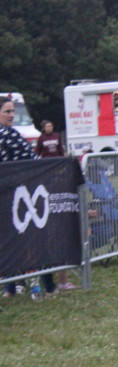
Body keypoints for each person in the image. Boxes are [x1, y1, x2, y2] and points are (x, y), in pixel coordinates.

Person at [1, 97, 58, 297]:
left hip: (15, 195)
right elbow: (33, 159)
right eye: (7, 111)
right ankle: (47, 286)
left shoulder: (10, 133)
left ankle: (11, 288)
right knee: (33, 239)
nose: (11, 115)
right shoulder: (8, 134)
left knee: (12, 241)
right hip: (19, 194)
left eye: (12, 111)